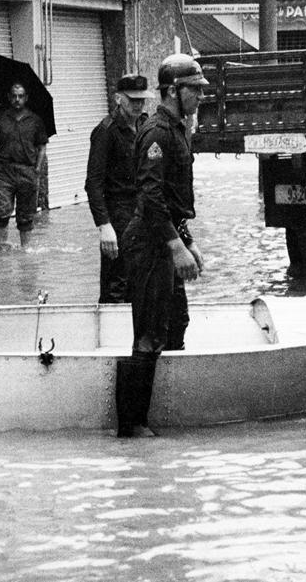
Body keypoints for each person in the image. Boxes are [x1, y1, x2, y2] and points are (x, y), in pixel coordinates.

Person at [115, 54, 209, 438]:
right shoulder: (157, 132)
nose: (200, 97)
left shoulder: (177, 129)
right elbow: (150, 197)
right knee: (149, 332)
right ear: (173, 90)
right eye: (195, 90)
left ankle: (165, 407)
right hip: (149, 242)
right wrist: (175, 245)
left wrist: (187, 241)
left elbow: (170, 199)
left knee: (178, 320)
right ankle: (132, 425)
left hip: (165, 236)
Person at [85, 73, 152, 303]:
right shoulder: (106, 131)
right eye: (132, 99)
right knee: (117, 283)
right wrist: (104, 225)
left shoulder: (146, 125)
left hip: (144, 211)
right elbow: (93, 183)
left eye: (141, 100)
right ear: (118, 99)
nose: (138, 104)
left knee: (143, 281)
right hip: (118, 213)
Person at [0, 81, 48, 249]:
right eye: (14, 96)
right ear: (8, 97)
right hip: (4, 170)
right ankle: (3, 248)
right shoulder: (0, 117)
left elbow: (42, 147)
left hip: (27, 170)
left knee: (26, 216)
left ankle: (25, 251)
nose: (17, 99)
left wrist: (37, 169)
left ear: (26, 98)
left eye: (20, 96)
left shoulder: (35, 120)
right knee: (1, 211)